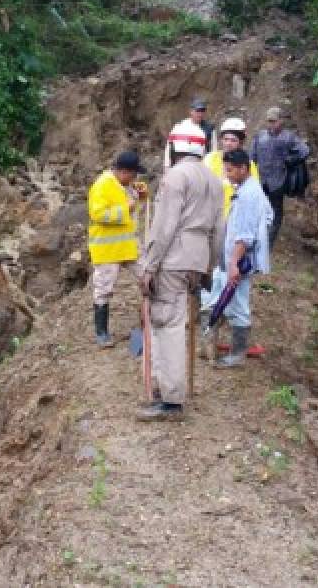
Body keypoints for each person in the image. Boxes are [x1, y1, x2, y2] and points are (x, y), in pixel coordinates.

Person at [137, 121, 223, 421]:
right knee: (178, 322)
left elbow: (163, 227)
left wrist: (149, 265)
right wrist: (210, 266)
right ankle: (168, 390)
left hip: (173, 259)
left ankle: (171, 400)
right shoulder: (214, 180)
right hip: (196, 259)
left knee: (168, 324)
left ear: (174, 147)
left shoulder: (175, 177)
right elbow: (218, 230)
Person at [206, 149, 273, 367]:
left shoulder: (248, 195)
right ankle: (213, 344)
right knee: (224, 300)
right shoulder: (247, 190)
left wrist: (234, 263)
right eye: (225, 169)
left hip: (238, 260)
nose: (227, 174)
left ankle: (237, 354)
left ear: (244, 168)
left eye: (231, 170)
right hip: (231, 258)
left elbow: (245, 236)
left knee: (238, 304)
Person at [87, 151, 148, 347]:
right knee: (104, 289)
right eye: (133, 174)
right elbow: (97, 214)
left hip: (129, 246)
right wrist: (126, 208)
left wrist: (142, 197)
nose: (135, 178)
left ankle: (149, 319)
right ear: (123, 171)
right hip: (108, 249)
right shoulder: (102, 185)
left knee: (148, 275)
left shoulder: (125, 185)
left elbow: (134, 210)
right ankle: (101, 333)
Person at [249, 107, 309, 244]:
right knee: (259, 210)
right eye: (269, 121)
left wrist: (291, 160)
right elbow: (251, 158)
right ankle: (257, 238)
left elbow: (305, 150)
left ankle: (269, 243)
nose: (271, 124)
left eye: (274, 121)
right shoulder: (260, 136)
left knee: (276, 212)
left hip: (278, 181)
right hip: (261, 180)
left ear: (281, 121)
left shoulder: (288, 137)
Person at [203, 117, 259, 218]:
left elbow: (253, 194)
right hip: (210, 217)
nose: (228, 143)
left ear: (241, 143)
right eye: (226, 139)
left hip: (235, 218)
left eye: (233, 140)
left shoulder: (248, 166)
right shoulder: (210, 158)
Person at [164, 98, 215, 170]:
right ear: (191, 111)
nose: (200, 114)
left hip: (199, 167)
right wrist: (167, 166)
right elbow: (169, 147)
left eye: (202, 111)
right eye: (197, 111)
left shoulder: (209, 129)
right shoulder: (179, 127)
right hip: (178, 166)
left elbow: (213, 152)